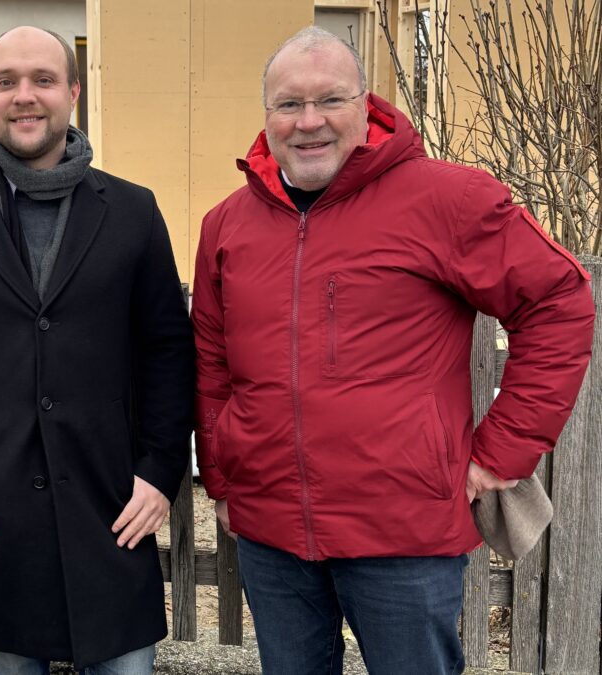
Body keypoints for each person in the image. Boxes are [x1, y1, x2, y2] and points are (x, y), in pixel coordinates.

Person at [192, 26, 594, 675]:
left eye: (331, 99)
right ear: (266, 116)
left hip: (404, 533)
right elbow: (211, 361)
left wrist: (502, 452)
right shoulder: (227, 223)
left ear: (367, 105)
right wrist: (221, 480)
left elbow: (559, 299)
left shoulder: (448, 199)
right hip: (272, 532)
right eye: (288, 104)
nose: (310, 120)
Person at [0, 25, 194, 675]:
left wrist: (162, 468)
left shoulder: (133, 211)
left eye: (43, 80)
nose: (25, 96)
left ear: (73, 93)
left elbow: (168, 347)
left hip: (112, 505)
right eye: (7, 82)